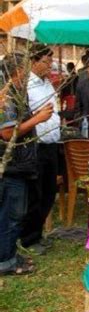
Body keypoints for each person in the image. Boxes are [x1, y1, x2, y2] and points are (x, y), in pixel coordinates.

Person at [0, 52, 53, 276]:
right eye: (24, 68)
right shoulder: (6, 99)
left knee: (15, 214)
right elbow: (6, 133)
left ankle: (10, 254)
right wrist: (37, 119)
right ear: (17, 72)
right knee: (10, 216)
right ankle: (5, 261)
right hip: (12, 167)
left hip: (19, 166)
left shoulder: (15, 94)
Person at [21, 45, 61, 254]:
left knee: (49, 191)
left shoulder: (48, 84)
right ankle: (29, 237)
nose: (49, 66)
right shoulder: (26, 86)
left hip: (51, 144)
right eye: (46, 61)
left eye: (50, 62)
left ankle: (37, 232)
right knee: (35, 193)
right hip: (36, 144)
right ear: (34, 61)